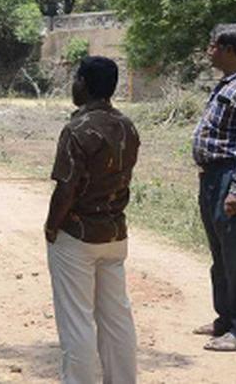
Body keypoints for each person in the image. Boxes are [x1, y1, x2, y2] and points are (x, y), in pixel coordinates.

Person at [45, 56, 140, 384]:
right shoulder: (127, 126)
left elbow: (66, 188)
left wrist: (51, 226)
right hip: (114, 234)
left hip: (78, 235)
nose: (73, 85)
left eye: (76, 79)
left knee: (76, 321)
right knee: (117, 319)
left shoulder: (77, 130)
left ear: (83, 84)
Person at [192, 23, 236, 351]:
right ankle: (226, 319)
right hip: (211, 177)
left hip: (230, 177)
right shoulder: (228, 83)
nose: (209, 52)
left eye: (213, 46)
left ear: (228, 50)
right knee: (220, 254)